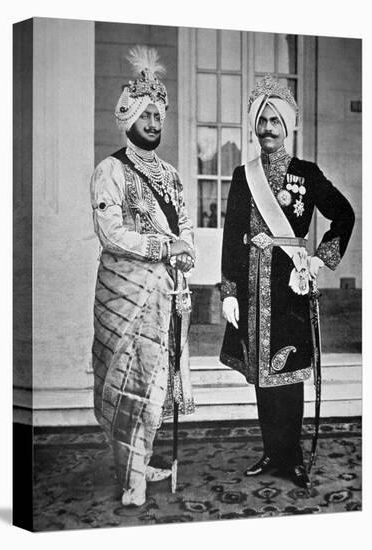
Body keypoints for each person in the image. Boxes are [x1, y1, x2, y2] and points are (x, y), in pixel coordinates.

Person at [220, 75, 354, 488]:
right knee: (262, 376)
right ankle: (271, 452)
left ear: (289, 125)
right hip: (251, 286)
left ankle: (292, 457)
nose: (268, 129)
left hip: (290, 288)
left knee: (288, 374)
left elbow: (344, 216)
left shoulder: (307, 174)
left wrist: (319, 260)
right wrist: (228, 291)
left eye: (276, 121)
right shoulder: (244, 176)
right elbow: (231, 234)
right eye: (262, 121)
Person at [90, 46, 195, 507]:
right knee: (126, 384)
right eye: (146, 115)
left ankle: (143, 460)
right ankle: (130, 477)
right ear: (127, 117)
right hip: (125, 294)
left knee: (154, 383)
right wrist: (161, 246)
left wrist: (185, 249)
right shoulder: (109, 170)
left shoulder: (171, 175)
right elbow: (112, 233)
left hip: (166, 294)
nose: (154, 123)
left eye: (159, 115)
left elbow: (185, 222)